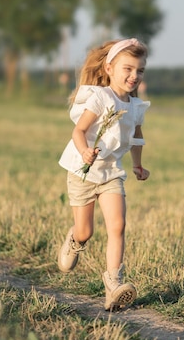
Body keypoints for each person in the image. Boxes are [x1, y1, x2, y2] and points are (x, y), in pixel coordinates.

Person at [57, 38, 151, 311]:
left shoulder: (135, 106)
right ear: (109, 68)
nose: (134, 76)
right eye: (128, 69)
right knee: (86, 231)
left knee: (118, 226)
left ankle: (113, 284)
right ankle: (75, 240)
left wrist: (137, 165)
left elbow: (137, 137)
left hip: (111, 173)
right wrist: (85, 151)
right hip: (82, 171)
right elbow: (78, 131)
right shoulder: (100, 97)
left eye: (140, 70)